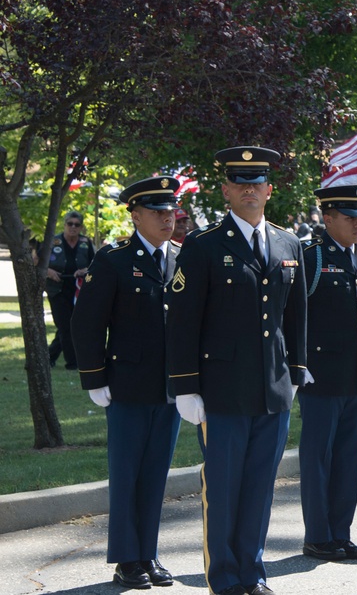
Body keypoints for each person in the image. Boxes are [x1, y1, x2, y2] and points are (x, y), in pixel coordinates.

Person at [165, 146, 308, 595]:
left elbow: (297, 314)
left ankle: (253, 573)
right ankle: (225, 579)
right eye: (240, 183)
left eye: (257, 182)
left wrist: (298, 371)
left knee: (260, 488)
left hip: (272, 388)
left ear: (269, 189)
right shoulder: (204, 246)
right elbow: (183, 320)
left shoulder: (288, 243)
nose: (250, 189)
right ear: (226, 191)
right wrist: (185, 387)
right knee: (223, 488)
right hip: (221, 390)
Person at [71, 177, 183, 589]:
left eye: (170, 211)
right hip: (126, 386)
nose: (167, 218)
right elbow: (86, 322)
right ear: (135, 215)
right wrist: (94, 377)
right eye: (157, 212)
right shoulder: (114, 259)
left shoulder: (181, 257)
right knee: (127, 474)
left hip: (169, 388)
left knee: (155, 475)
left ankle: (148, 554)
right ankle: (126, 560)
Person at [299, 185, 357, 563]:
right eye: (349, 218)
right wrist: (298, 365)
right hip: (321, 374)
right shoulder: (311, 258)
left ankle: (341, 533)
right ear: (327, 218)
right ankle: (318, 536)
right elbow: (294, 316)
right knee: (319, 457)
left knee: (349, 457)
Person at [46, 210, 95, 369]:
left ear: (81, 227)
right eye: (70, 224)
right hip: (57, 289)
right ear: (64, 224)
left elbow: (95, 265)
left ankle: (48, 357)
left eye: (77, 224)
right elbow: (38, 263)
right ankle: (72, 363)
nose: (73, 227)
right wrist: (49, 271)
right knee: (65, 326)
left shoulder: (85, 243)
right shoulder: (53, 242)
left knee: (70, 326)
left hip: (78, 290)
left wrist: (85, 270)